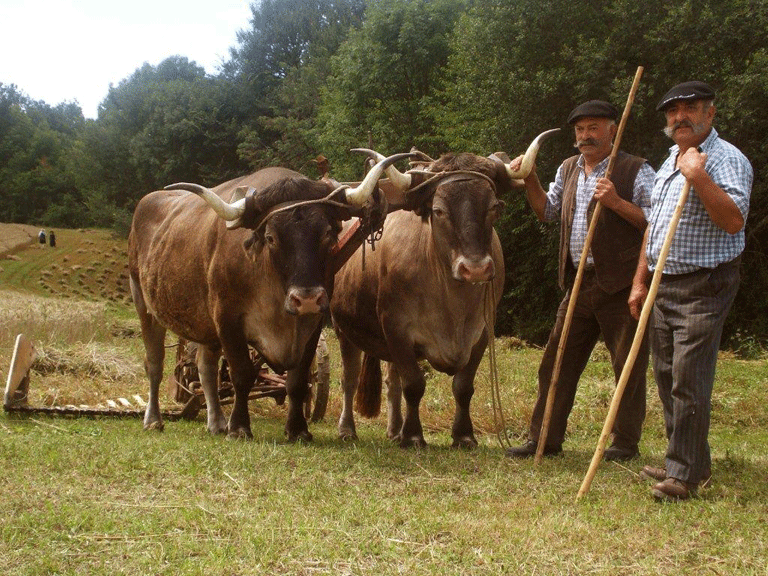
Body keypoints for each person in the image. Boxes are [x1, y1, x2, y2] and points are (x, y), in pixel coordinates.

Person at [506, 100, 656, 461]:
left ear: (612, 129)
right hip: (578, 284)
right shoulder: (569, 168)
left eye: (593, 128)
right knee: (556, 362)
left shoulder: (636, 169)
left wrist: (617, 203)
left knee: (627, 365)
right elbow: (547, 211)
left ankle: (623, 443)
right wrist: (530, 178)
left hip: (621, 285)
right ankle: (544, 440)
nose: (585, 136)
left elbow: (657, 222)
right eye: (580, 130)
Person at [629, 81, 752, 501]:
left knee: (688, 377)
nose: (680, 116)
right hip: (663, 283)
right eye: (672, 110)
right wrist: (640, 281)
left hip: (705, 283)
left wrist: (698, 177)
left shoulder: (726, 159)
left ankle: (683, 476)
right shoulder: (669, 160)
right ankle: (686, 460)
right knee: (665, 375)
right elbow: (654, 226)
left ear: (710, 113)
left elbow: (734, 221)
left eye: (690, 107)